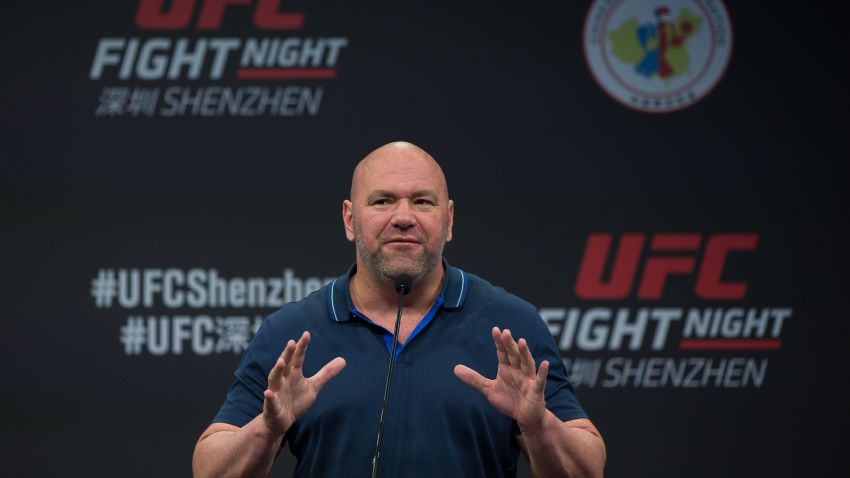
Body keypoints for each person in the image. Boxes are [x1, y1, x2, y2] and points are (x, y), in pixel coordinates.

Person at [192, 142, 606, 477]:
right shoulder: (294, 333)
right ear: (350, 219)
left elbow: (588, 468)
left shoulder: (512, 326)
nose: (403, 217)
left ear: (449, 220)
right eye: (383, 201)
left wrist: (539, 426)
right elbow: (209, 469)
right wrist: (267, 428)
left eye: (423, 202)